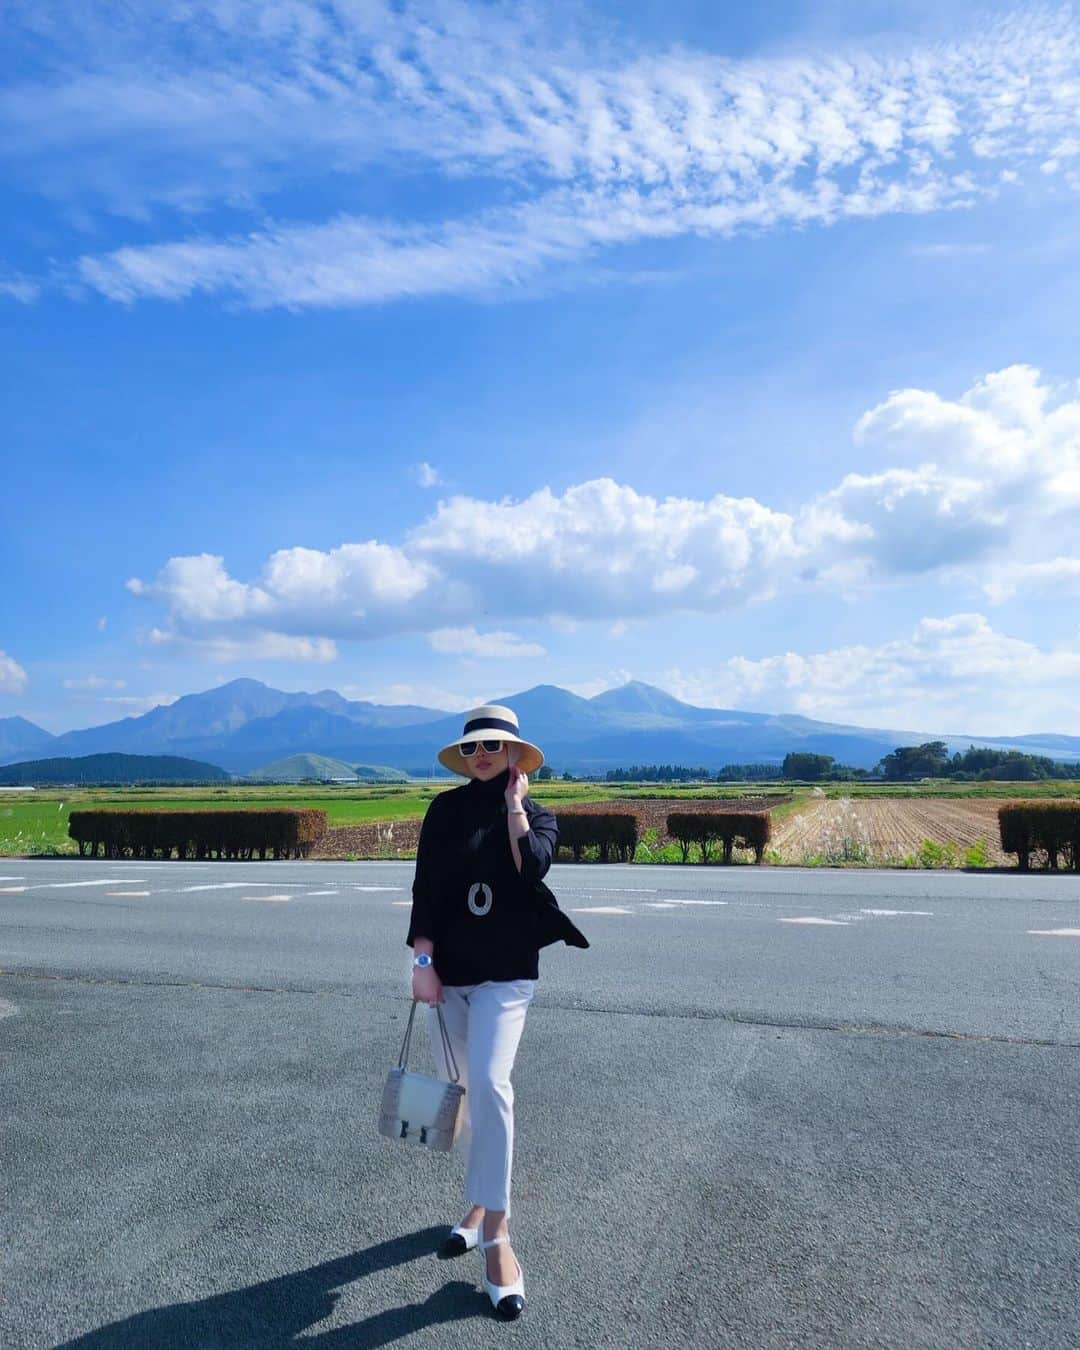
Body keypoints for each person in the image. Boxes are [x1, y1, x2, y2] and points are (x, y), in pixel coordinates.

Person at [406, 702, 589, 1321]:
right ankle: (478, 1203)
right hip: (449, 975)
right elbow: (425, 888)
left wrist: (515, 803)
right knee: (462, 1092)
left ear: (515, 755)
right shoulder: (443, 811)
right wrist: (423, 962)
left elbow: (531, 865)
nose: (481, 756)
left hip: (507, 976)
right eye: (473, 749)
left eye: (494, 747)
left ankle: (497, 1235)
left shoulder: (536, 815)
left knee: (490, 1084)